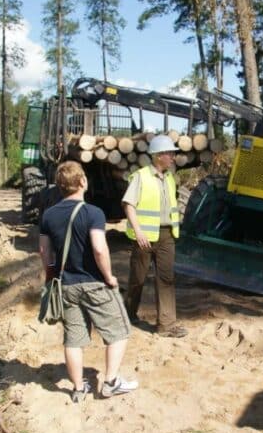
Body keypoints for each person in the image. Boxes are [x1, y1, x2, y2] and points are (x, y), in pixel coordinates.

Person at [39, 161, 138, 401]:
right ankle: (111, 382)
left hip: (66, 285)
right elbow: (99, 250)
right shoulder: (93, 213)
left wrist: (52, 276)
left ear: (60, 186)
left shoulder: (48, 216)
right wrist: (109, 277)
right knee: (119, 331)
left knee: (73, 339)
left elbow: (45, 252)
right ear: (82, 181)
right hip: (94, 283)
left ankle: (77, 389)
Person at [122, 135, 187, 338]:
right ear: (159, 156)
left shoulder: (169, 177)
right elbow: (128, 204)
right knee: (138, 278)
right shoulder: (141, 176)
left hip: (167, 235)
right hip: (144, 237)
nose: (173, 157)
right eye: (170, 154)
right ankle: (127, 315)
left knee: (166, 279)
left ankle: (166, 325)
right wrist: (138, 231)